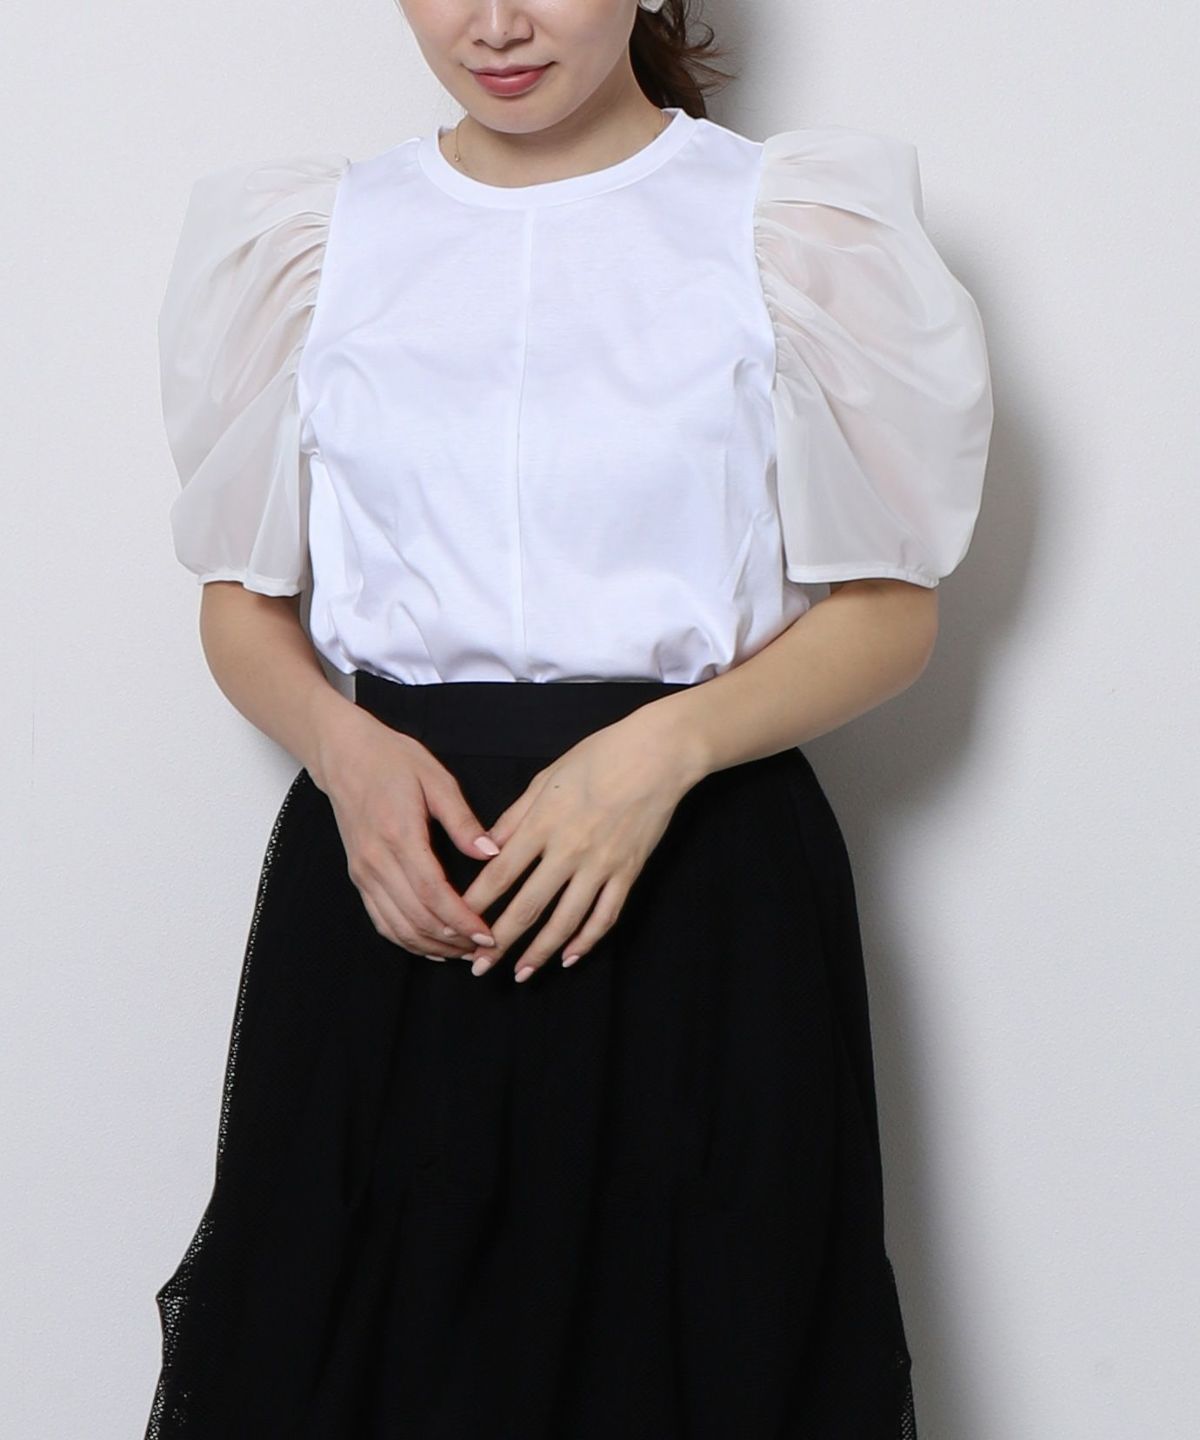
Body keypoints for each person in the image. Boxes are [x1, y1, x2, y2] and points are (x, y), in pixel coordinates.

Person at [144, 2, 993, 1436]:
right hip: (397, 883)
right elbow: (240, 600)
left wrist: (664, 752)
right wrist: (344, 753)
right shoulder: (313, 242)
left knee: (707, 1359)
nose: (495, 23)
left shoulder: (788, 227)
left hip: (704, 887)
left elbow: (890, 611)